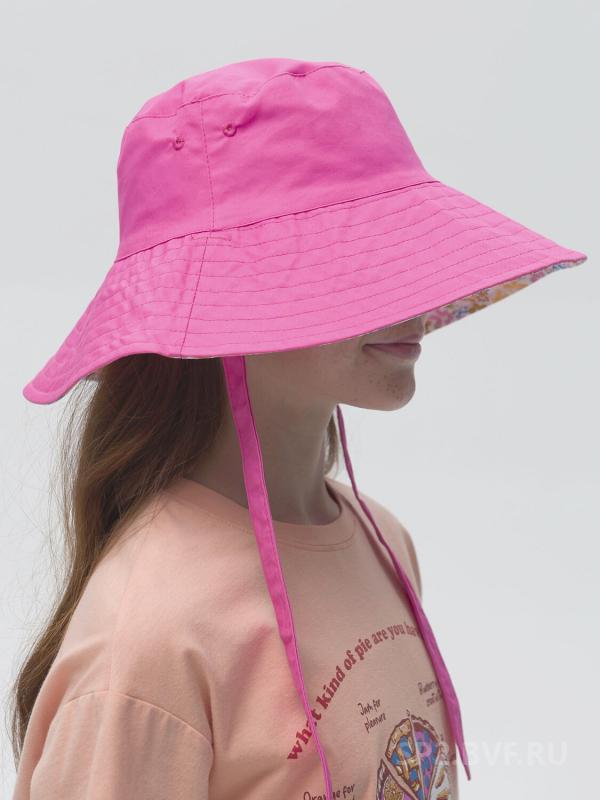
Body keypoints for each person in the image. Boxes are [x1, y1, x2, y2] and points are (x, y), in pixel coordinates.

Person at [9, 58, 587, 800]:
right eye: (353, 255)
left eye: (403, 244)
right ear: (226, 303)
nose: (412, 292)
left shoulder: (380, 540)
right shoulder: (149, 638)